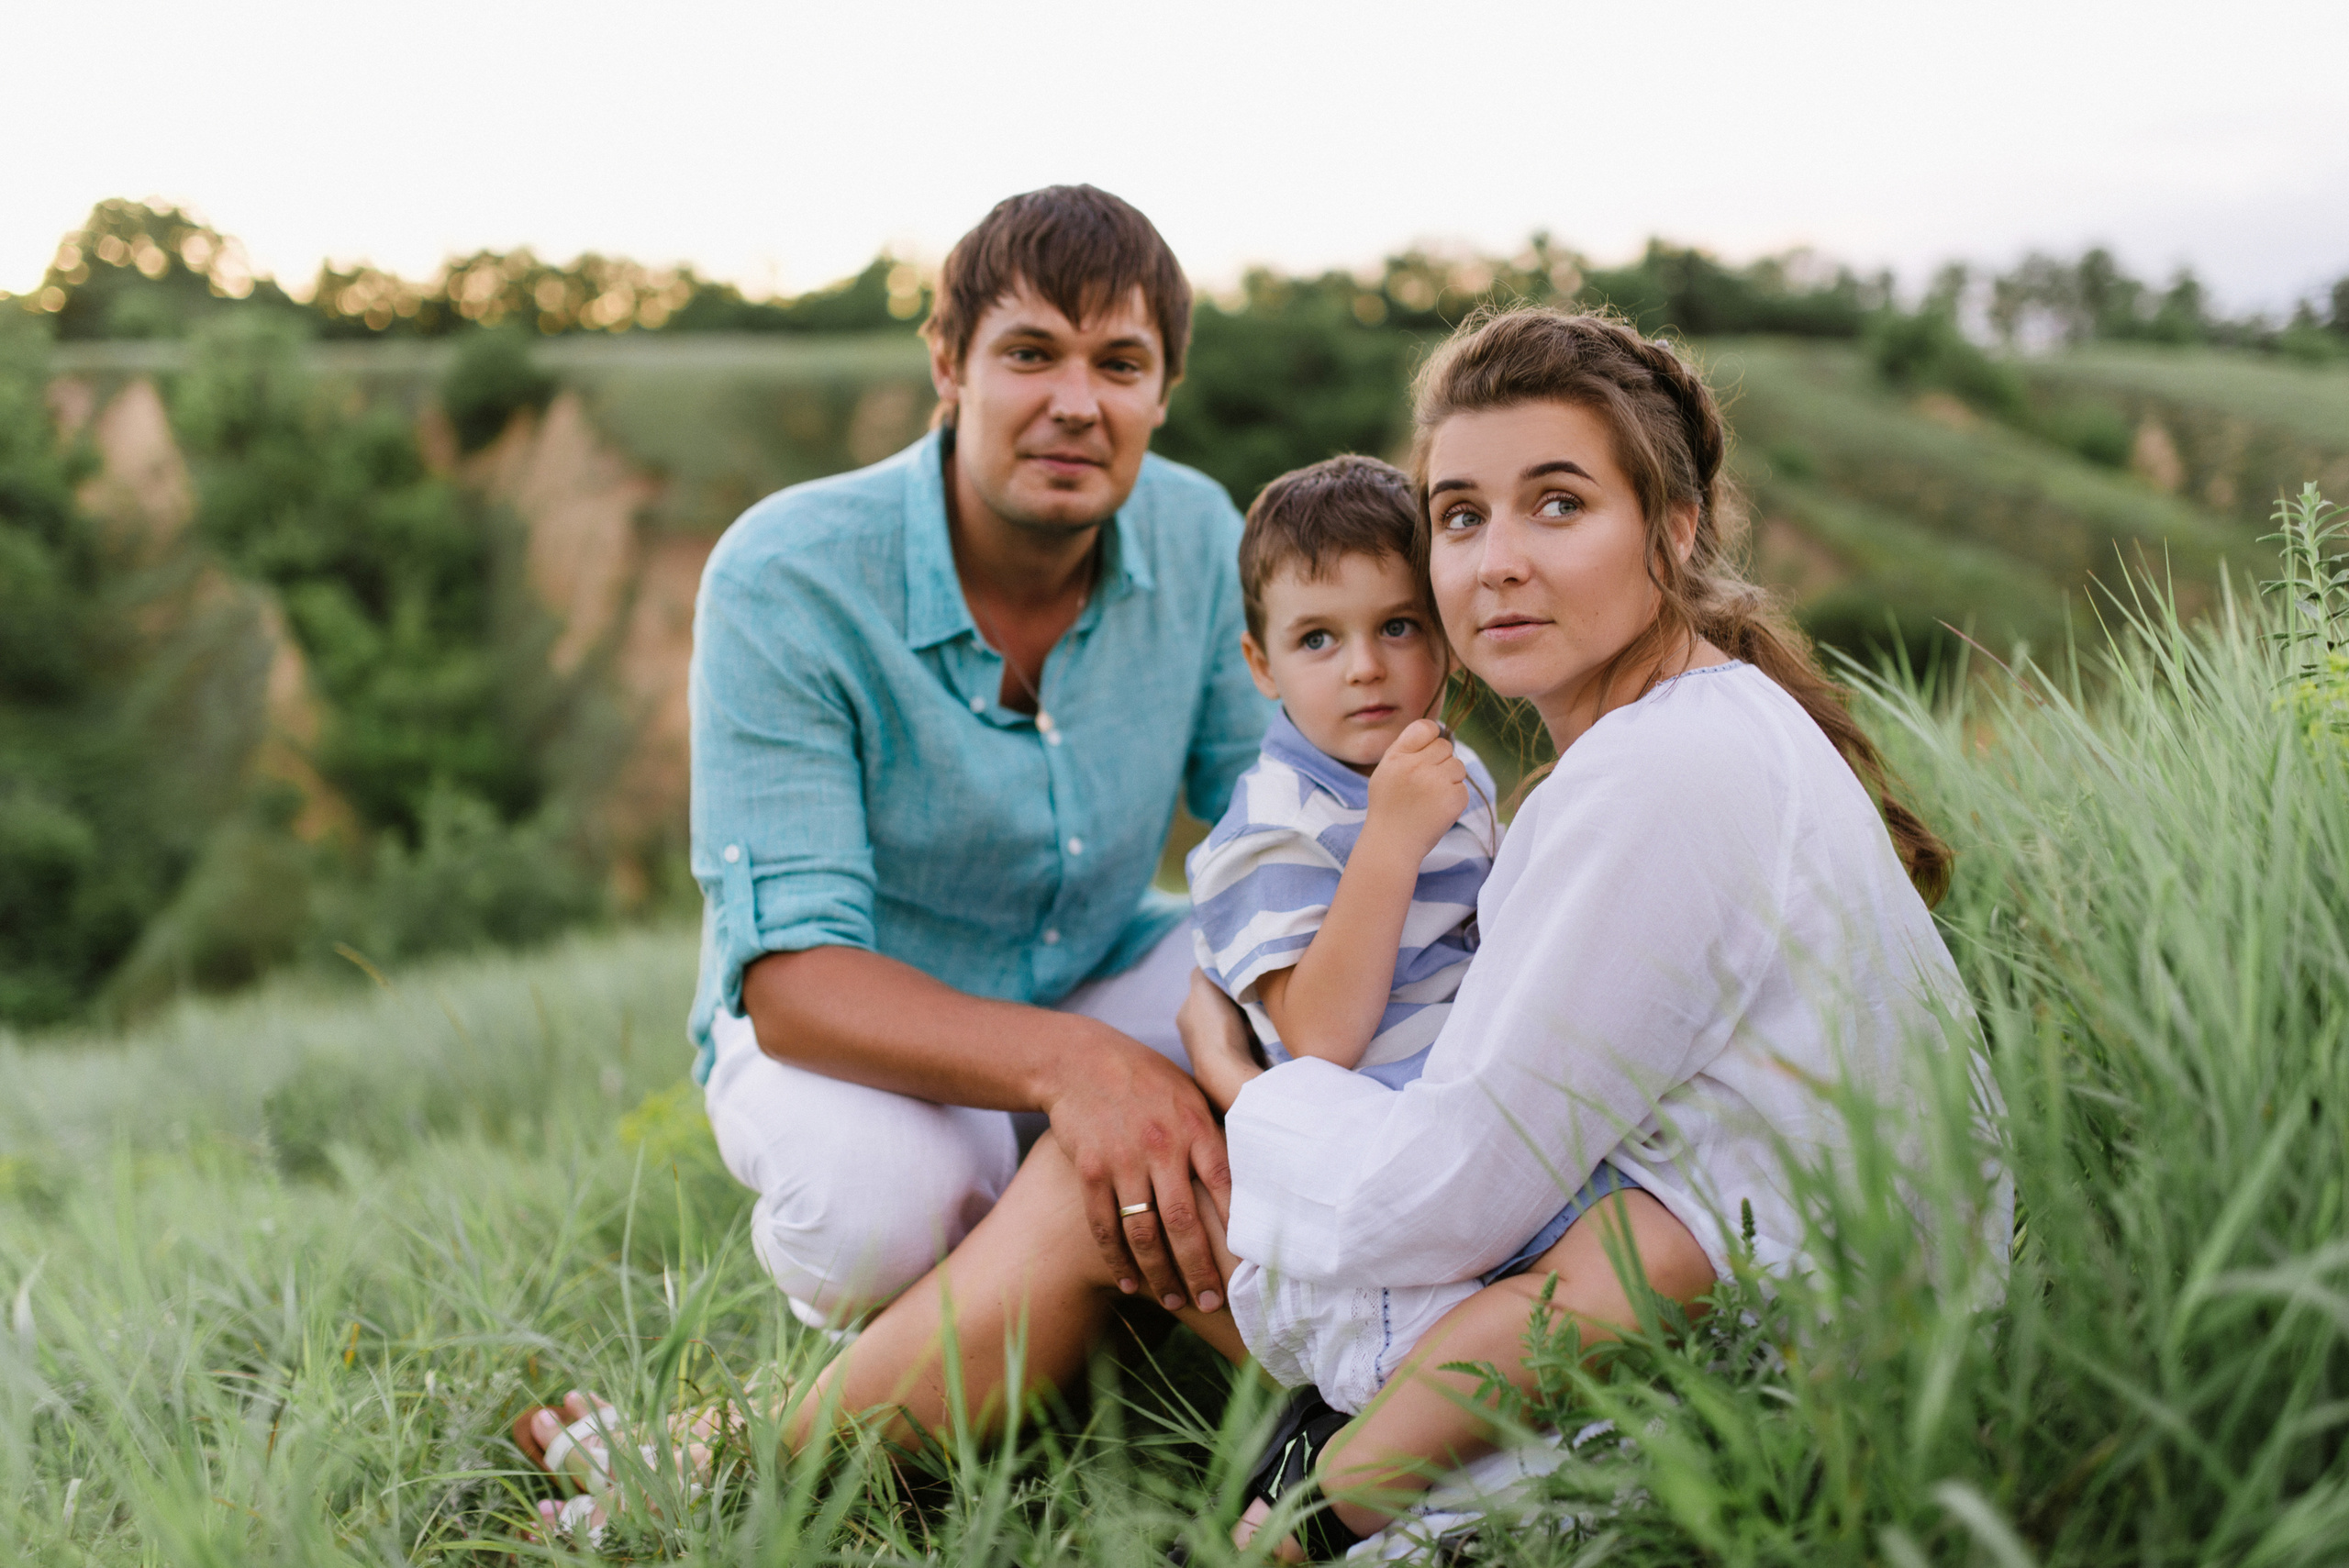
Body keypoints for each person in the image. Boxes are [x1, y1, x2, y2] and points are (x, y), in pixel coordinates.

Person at [521, 306, 2008, 1560]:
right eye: (1462, 513)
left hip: (1751, 1366)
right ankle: (730, 1453)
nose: (1495, 560)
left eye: (1561, 504)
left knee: (1127, 1169)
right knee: (1146, 1155)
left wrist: (1240, 1092)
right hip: (1755, 1296)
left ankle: (717, 1480)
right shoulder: (1687, 726)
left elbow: (1445, 1202)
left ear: (1672, 526)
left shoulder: (1651, 776)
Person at [678, 183, 1269, 1335]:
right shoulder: (786, 575)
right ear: (949, 364)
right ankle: (1025, 1264)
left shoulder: (1201, 533)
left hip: (1100, 962)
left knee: (1346, 988)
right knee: (874, 1216)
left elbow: (1275, 827)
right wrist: (1079, 1069)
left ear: (1163, 393)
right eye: (1031, 352)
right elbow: (795, 984)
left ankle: (1060, 1265)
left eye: (1119, 363)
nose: (1075, 404)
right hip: (865, 1029)